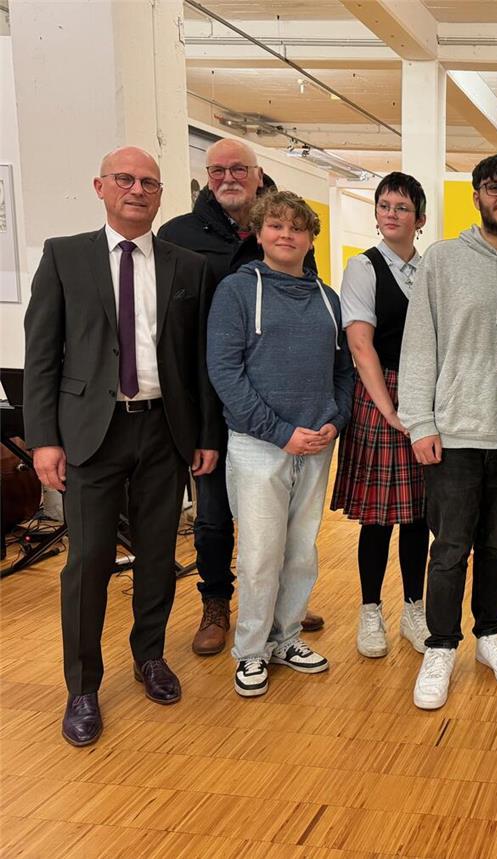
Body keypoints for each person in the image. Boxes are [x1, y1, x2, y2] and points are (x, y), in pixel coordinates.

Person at [23, 146, 220, 746]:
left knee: (159, 554)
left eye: (149, 183)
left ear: (161, 196)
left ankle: (150, 656)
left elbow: (198, 363)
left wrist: (206, 436)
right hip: (91, 433)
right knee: (86, 564)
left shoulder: (188, 266)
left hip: (164, 430)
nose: (138, 190)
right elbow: (41, 356)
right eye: (125, 180)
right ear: (101, 187)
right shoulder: (65, 257)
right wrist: (43, 440)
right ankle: (82, 687)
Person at [158, 137, 323, 655]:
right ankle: (217, 604)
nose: (227, 177)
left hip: (277, 411)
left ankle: (279, 610)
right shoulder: (179, 235)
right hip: (208, 398)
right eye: (217, 170)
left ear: (256, 175)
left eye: (238, 169)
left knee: (288, 536)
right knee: (213, 516)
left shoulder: (280, 237)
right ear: (208, 176)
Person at [398, 153, 497, 710]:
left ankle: (489, 634)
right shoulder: (442, 260)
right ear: (477, 196)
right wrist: (420, 422)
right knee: (451, 547)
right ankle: (441, 645)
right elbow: (419, 345)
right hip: (453, 434)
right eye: (493, 186)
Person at [207, 191, 354, 698]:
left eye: (297, 227)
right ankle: (250, 652)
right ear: (258, 232)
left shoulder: (327, 298)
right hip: (259, 445)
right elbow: (225, 372)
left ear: (311, 236)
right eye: (275, 226)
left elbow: (342, 370)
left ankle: (286, 637)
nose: (286, 234)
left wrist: (335, 419)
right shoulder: (237, 291)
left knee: (300, 553)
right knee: (259, 555)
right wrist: (280, 433)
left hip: (316, 444)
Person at [330, 172, 431, 658]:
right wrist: (390, 409)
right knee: (378, 518)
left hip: (425, 395)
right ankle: (371, 612)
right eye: (384, 206)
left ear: (420, 218)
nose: (391, 214)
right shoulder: (363, 267)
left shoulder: (431, 268)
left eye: (402, 207)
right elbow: (359, 344)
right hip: (380, 393)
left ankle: (415, 608)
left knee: (418, 514)